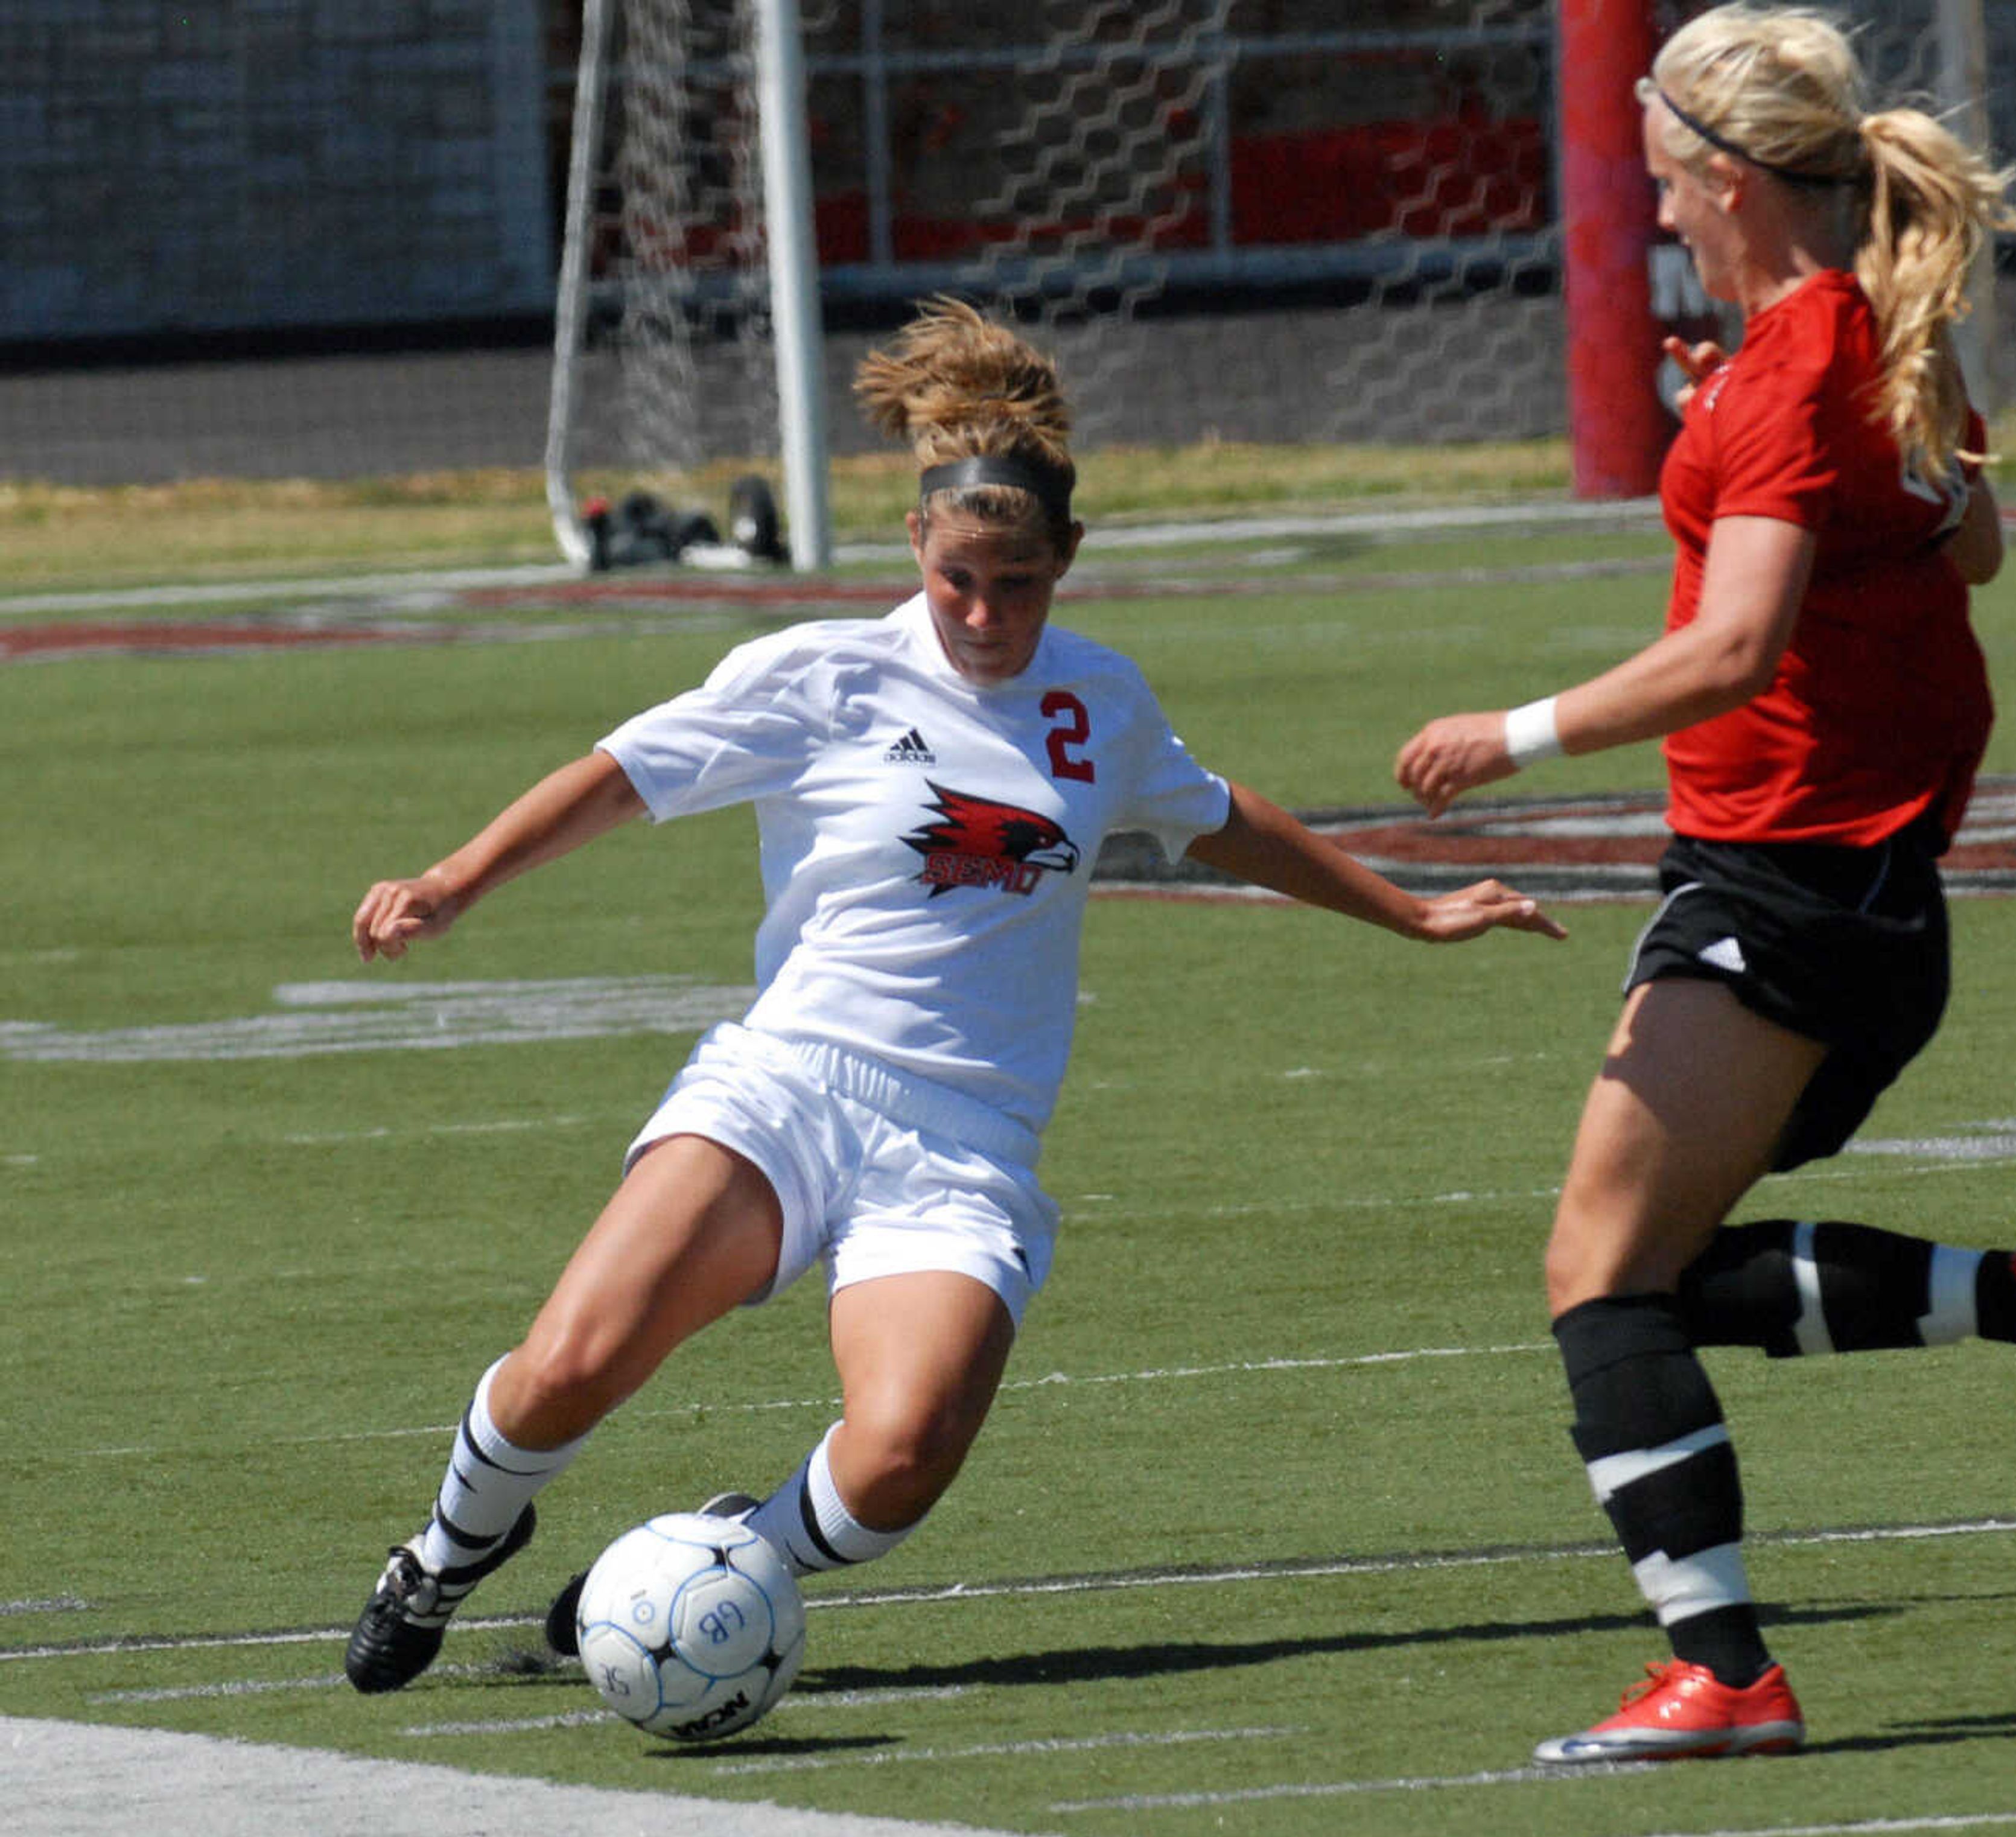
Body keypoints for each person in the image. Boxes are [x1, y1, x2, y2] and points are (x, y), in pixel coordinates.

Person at [343, 298, 1559, 1696]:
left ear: (1069, 563)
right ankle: (442, 1555)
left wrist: (1409, 910)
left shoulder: (1101, 705)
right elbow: (625, 774)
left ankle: (731, 1562)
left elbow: (1221, 818)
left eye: (1021, 584)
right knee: (571, 1362)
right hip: (788, 1086)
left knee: (899, 1463)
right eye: (961, 580)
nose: (987, 615)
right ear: (915, 546)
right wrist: (457, 877)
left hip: (964, 1141)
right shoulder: (822, 675)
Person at [1394, 4, 2016, 1765]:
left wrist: (1508, 733)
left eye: (1670, 176)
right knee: (1647, 1289)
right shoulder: (1883, 338)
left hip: (1793, 879)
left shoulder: (1802, 363)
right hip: (1856, 889)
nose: (1658, 206)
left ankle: (1727, 1675)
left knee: (1599, 1279)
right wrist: (1781, 437)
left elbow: (1737, 646)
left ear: (1738, 184)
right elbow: (1971, 541)